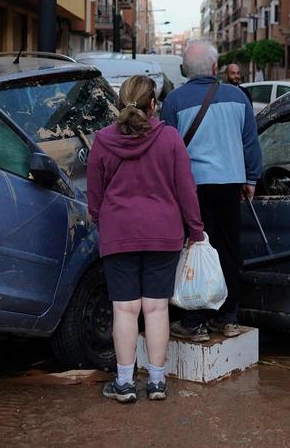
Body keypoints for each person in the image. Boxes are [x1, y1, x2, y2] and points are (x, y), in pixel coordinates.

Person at [88, 75, 205, 403]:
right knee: (156, 309)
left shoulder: (102, 140)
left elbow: (94, 194)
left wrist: (101, 218)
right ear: (153, 105)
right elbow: (186, 189)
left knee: (124, 309)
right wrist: (195, 231)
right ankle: (156, 382)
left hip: (119, 231)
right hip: (163, 233)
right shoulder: (169, 139)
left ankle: (124, 384)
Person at [161, 40, 262, 341]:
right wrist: (251, 179)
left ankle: (195, 321)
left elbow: (167, 149)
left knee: (196, 249)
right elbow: (250, 143)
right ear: (216, 68)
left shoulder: (174, 101)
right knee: (229, 251)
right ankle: (228, 317)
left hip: (192, 188)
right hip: (230, 184)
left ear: (185, 71)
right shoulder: (237, 97)